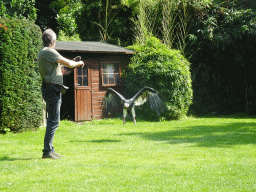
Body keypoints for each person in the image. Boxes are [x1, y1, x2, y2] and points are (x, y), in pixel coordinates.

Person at [38, 29, 84, 159]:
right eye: (55, 39)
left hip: (51, 87)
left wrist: (72, 65)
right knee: (53, 120)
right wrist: (78, 63)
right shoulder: (49, 51)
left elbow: (63, 71)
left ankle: (50, 149)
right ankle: (47, 151)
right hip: (52, 89)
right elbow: (68, 63)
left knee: (53, 120)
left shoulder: (45, 53)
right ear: (52, 40)